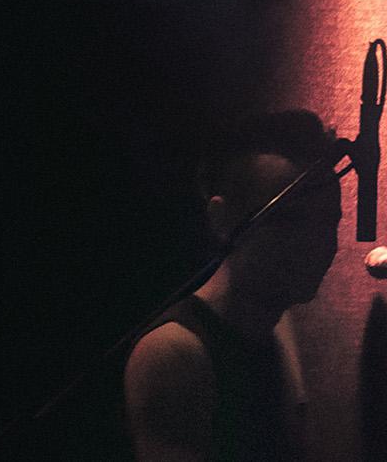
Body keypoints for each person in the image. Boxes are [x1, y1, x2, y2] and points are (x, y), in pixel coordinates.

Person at [124, 110, 341, 462]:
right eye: (290, 220)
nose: (317, 242)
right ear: (222, 220)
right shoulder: (175, 354)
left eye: (328, 221)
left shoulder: (277, 331)